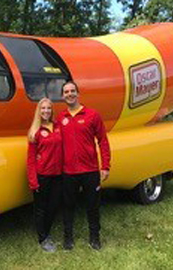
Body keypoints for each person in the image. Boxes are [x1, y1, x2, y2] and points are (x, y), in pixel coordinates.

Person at [56, 81, 111, 251]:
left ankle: (94, 238)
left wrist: (105, 166)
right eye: (66, 92)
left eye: (73, 91)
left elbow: (103, 141)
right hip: (68, 172)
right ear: (62, 96)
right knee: (68, 206)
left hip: (90, 171)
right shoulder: (60, 118)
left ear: (78, 94)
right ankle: (68, 239)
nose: (70, 94)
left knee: (92, 207)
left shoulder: (92, 115)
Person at [27, 98, 63, 252]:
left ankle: (46, 233)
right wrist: (33, 181)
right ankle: (43, 238)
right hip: (42, 176)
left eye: (48, 108)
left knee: (54, 206)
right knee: (41, 208)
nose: (46, 111)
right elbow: (30, 159)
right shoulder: (35, 131)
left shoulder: (58, 127)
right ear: (39, 111)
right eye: (43, 109)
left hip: (58, 175)